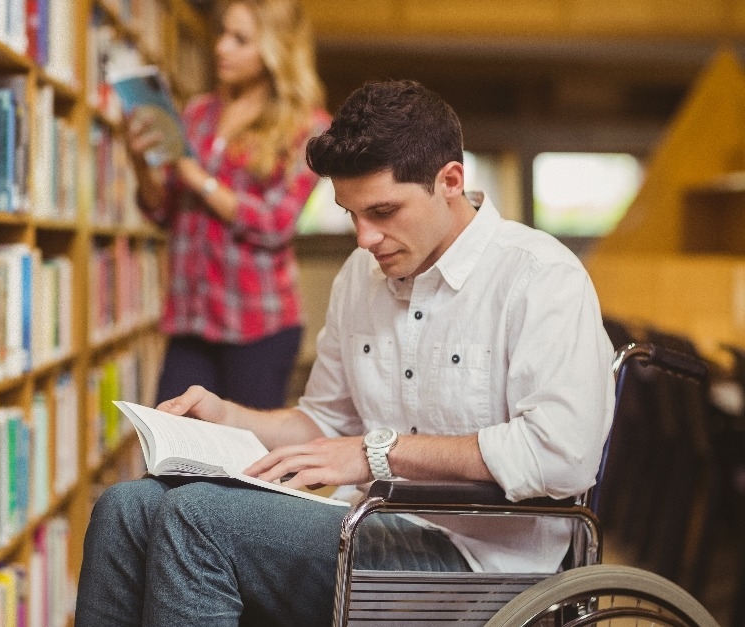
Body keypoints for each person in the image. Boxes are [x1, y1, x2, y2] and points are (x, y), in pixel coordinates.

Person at [74, 79, 617, 627]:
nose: (364, 238)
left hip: (486, 565)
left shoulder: (540, 277)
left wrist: (380, 453)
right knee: (126, 508)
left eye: (383, 211)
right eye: (351, 214)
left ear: (449, 180)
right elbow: (326, 421)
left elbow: (561, 455)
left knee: (197, 517)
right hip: (370, 527)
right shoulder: (362, 275)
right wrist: (228, 417)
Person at [128, 0, 330, 410]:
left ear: (276, 49)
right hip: (191, 317)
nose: (221, 47)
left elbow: (276, 222)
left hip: (259, 323)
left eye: (240, 40)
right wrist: (138, 161)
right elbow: (164, 211)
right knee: (167, 445)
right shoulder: (198, 112)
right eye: (222, 34)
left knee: (245, 464)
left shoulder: (309, 127)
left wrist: (196, 177)